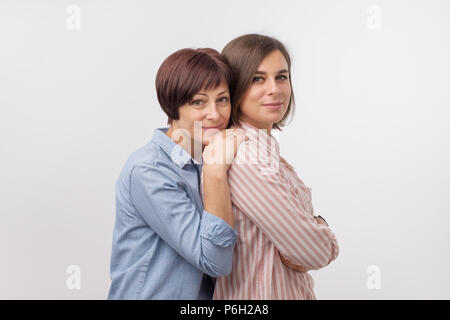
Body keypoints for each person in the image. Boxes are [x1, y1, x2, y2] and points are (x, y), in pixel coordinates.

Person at [107, 47, 246, 299]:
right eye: (198, 102)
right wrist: (215, 172)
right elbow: (215, 261)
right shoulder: (149, 169)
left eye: (222, 99)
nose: (215, 114)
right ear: (173, 106)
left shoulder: (213, 155)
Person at [213, 34, 340, 300]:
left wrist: (316, 227)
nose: (274, 89)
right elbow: (312, 252)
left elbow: (303, 246)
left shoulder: (265, 151)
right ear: (235, 87)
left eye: (281, 77)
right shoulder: (247, 157)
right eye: (258, 79)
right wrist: (324, 238)